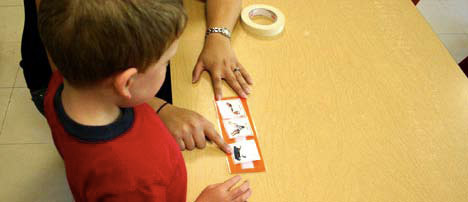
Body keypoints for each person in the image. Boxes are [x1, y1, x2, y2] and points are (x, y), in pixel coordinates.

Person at [38, 0, 252, 201]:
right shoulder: (132, 180)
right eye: (166, 63)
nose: (167, 66)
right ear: (127, 83)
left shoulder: (62, 85)